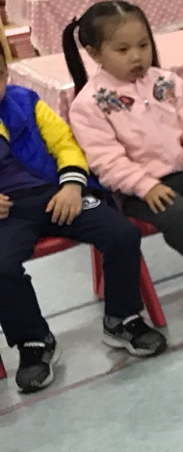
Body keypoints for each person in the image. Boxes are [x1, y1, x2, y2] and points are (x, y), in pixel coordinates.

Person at [0, 41, 166, 393]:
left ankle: (121, 318)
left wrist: (72, 185)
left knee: (121, 234)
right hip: (8, 214)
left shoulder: (25, 102)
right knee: (1, 267)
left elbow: (65, 145)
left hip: (59, 194)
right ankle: (34, 341)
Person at [65, 0, 183, 317]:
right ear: (94, 54)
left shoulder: (168, 82)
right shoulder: (88, 104)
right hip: (135, 189)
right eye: (122, 50)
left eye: (143, 45)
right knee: (177, 214)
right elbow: (106, 160)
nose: (136, 56)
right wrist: (145, 185)